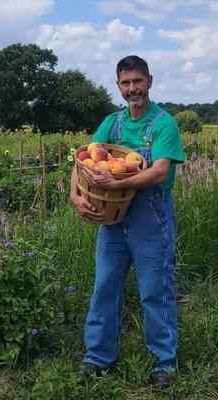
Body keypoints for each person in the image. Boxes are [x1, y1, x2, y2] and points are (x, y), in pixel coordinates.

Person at [69, 55, 185, 388]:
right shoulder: (112, 124)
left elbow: (160, 170)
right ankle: (98, 357)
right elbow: (82, 162)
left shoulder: (164, 123)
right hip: (113, 220)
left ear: (150, 81)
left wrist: (118, 183)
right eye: (125, 83)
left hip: (151, 218)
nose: (132, 88)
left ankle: (164, 363)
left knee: (155, 290)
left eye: (137, 81)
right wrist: (75, 196)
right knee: (104, 286)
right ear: (118, 86)